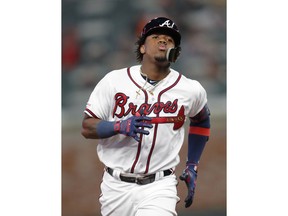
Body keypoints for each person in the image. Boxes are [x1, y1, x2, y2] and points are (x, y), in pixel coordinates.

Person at [81, 17, 211, 216]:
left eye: (169, 40)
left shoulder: (190, 89)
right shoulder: (114, 81)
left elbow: (201, 119)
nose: (163, 41)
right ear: (142, 47)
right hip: (116, 186)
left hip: (160, 185)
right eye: (156, 36)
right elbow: (87, 127)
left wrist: (192, 165)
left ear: (175, 51)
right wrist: (118, 126)